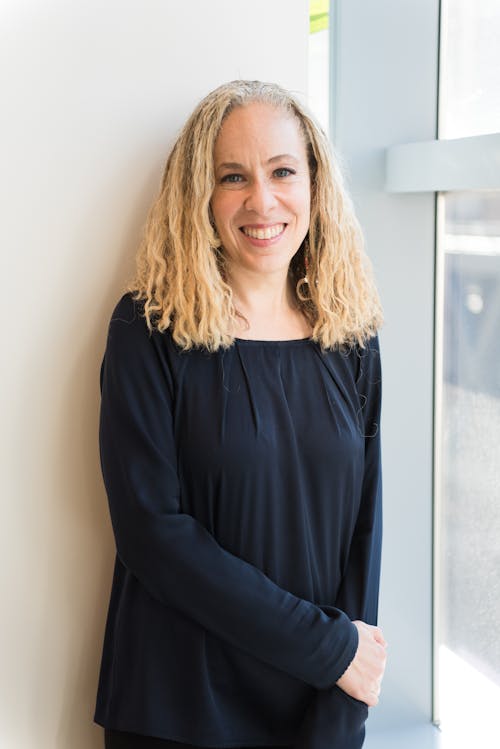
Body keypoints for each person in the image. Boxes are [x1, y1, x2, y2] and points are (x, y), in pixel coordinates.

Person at [94, 80, 387, 749]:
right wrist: (329, 647)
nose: (262, 200)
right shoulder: (147, 331)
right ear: (201, 195)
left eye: (282, 171)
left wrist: (347, 700)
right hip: (176, 709)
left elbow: (363, 537)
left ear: (314, 183)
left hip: (317, 708)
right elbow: (152, 535)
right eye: (233, 177)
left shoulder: (352, 339)